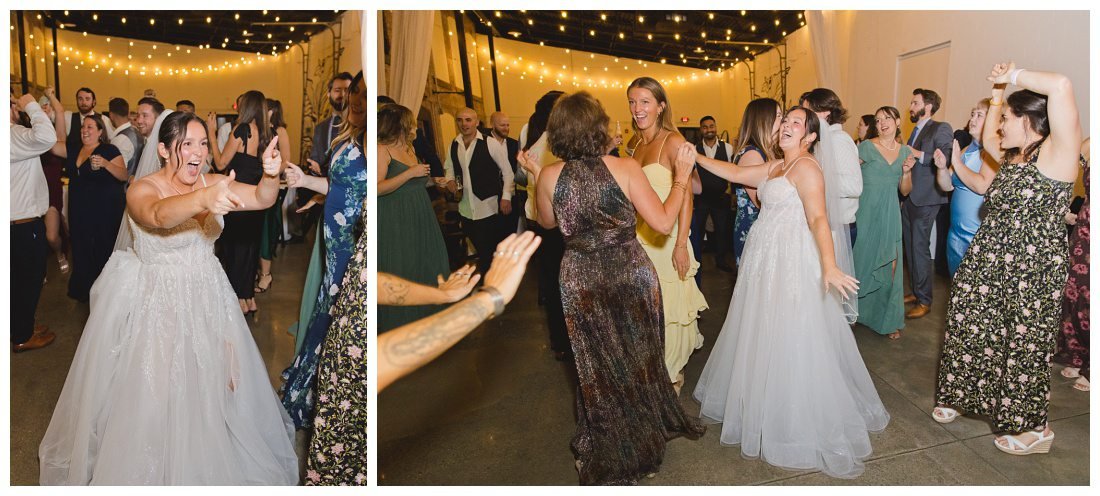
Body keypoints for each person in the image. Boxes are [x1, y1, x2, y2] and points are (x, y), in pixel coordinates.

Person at [39, 111, 296, 485]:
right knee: (157, 397)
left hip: (209, 298)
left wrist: (270, 174)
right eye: (187, 144)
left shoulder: (213, 180)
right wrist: (203, 197)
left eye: (203, 143)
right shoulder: (142, 189)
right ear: (163, 148)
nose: (198, 152)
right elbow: (159, 217)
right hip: (160, 305)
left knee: (211, 388)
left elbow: (260, 198)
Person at [692, 106, 888, 478]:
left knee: (791, 334)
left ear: (811, 136)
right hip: (764, 262)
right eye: (785, 121)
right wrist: (694, 156)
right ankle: (766, 405)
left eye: (796, 123)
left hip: (791, 262)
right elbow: (733, 172)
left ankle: (795, 420)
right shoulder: (777, 165)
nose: (786, 126)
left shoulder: (807, 168)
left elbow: (818, 218)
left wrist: (830, 266)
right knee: (763, 330)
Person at [521, 91, 704, 485]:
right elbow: (661, 223)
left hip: (581, 278)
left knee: (595, 367)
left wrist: (539, 177)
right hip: (629, 274)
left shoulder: (552, 175)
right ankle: (641, 444)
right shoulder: (624, 167)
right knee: (638, 360)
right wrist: (682, 180)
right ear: (598, 126)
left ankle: (607, 444)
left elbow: (548, 223)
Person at [933, 63, 1081, 456]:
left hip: (1032, 270)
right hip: (990, 260)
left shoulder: (1058, 156)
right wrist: (998, 92)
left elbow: (1062, 85)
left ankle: (1036, 428)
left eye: (1008, 119)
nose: (999, 126)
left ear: (1031, 120)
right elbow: (987, 136)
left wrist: (1012, 74)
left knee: (1024, 342)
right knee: (975, 325)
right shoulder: (1015, 157)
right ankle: (968, 394)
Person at [280, 72, 368, 429]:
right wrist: (304, 181)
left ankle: (328, 390)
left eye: (359, 93)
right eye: (352, 93)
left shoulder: (370, 140)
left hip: (352, 240)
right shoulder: (347, 136)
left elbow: (366, 194)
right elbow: (337, 184)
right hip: (334, 239)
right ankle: (312, 382)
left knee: (337, 314)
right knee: (326, 308)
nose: (354, 99)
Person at [626, 76, 708, 392]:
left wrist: (681, 244)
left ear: (661, 106)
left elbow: (686, 194)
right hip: (640, 242)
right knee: (646, 310)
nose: (637, 109)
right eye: (632, 102)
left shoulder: (672, 142)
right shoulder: (635, 144)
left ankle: (671, 375)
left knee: (668, 310)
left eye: (645, 101)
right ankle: (651, 370)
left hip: (668, 241)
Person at [47, 92, 128, 303]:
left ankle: (104, 291)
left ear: (101, 132)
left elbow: (123, 175)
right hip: (80, 210)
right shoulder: (73, 149)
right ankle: (84, 288)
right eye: (83, 127)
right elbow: (53, 145)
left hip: (103, 212)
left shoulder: (109, 149)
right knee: (81, 247)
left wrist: (106, 164)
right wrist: (48, 118)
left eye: (90, 127)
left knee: (102, 248)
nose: (85, 130)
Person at [377, 102, 450, 332]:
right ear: (400, 125)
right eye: (411, 123)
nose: (415, 126)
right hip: (396, 218)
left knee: (426, 264)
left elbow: (412, 182)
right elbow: (377, 188)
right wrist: (411, 172)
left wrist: (431, 181)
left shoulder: (410, 149)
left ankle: (429, 321)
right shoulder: (382, 149)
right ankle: (401, 325)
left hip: (421, 214)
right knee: (404, 266)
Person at [206, 90, 271, 316]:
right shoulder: (265, 133)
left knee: (234, 249)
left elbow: (221, 162)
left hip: (238, 196)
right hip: (256, 197)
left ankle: (238, 301)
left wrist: (212, 135)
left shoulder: (242, 129)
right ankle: (248, 299)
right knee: (249, 249)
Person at [853, 106, 915, 339]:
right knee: (862, 260)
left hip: (890, 213)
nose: (882, 123)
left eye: (887, 118)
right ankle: (852, 312)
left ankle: (886, 319)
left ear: (898, 121)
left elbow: (905, 191)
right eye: (878, 120)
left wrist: (907, 173)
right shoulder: (867, 147)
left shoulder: (905, 151)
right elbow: (847, 174)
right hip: (865, 211)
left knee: (890, 266)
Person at [800, 88, 861, 321]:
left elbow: (855, 186)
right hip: (829, 225)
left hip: (840, 228)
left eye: (808, 112)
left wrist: (816, 180)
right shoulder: (824, 140)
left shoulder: (840, 140)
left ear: (824, 113)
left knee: (832, 291)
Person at [519, 91, 570, 360]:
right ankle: (565, 338)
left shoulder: (533, 137)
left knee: (552, 281)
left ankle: (560, 339)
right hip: (556, 221)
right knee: (562, 283)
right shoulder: (552, 142)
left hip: (540, 219)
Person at [10, 92, 58, 352]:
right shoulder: (12, 134)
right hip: (22, 223)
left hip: (12, 223)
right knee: (28, 279)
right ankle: (22, 335)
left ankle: (19, 323)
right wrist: (30, 104)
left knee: (15, 281)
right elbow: (47, 138)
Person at [444, 108, 515, 276]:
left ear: (476, 122)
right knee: (483, 252)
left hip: (488, 208)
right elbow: (449, 167)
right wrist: (450, 180)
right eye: (460, 120)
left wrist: (506, 198)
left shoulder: (489, 143)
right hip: (466, 209)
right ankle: (492, 284)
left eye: (468, 120)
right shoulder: (454, 145)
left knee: (487, 253)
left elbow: (508, 172)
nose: (464, 124)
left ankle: (491, 288)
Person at [901, 88, 953, 319]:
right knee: (910, 247)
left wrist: (917, 154)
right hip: (910, 196)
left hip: (928, 197)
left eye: (915, 103)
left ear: (928, 106)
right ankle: (916, 290)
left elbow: (946, 157)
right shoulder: (914, 130)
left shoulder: (941, 128)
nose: (910, 107)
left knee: (920, 248)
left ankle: (925, 300)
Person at [932, 99, 995, 276]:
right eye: (972, 114)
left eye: (979, 115)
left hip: (976, 234)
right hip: (956, 232)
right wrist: (942, 167)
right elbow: (946, 185)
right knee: (957, 289)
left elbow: (981, 186)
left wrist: (957, 162)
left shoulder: (993, 153)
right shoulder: (967, 148)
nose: (972, 119)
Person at [730, 98, 783, 265]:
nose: (784, 121)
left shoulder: (768, 152)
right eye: (779, 116)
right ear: (764, 120)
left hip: (767, 230)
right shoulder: (752, 154)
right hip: (754, 231)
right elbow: (762, 201)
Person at [1056, 138, 1089, 392]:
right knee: (1074, 292)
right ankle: (1076, 354)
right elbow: (1064, 171)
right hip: (1085, 231)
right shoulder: (1090, 144)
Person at [253, 98, 292, 294]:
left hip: (272, 184)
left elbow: (287, 160)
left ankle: (266, 275)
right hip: (254, 185)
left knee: (266, 230)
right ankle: (257, 270)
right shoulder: (256, 130)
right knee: (255, 231)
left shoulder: (280, 131)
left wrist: (270, 172)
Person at [690, 115, 735, 277]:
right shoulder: (694, 149)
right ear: (701, 130)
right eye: (705, 127)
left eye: (712, 126)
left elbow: (732, 171)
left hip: (721, 197)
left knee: (722, 230)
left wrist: (731, 192)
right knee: (698, 229)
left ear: (716, 127)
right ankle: (697, 262)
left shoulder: (728, 148)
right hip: (701, 198)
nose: (709, 129)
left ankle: (721, 261)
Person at [37, 96, 70, 274]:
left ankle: (59, 254)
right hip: (32, 192)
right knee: (34, 237)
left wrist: (51, 96)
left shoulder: (56, 138)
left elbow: (59, 112)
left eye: (47, 107)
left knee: (51, 235)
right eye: (41, 107)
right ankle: (39, 268)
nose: (44, 109)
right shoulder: (30, 135)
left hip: (51, 191)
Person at [488, 111, 522, 234]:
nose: (506, 128)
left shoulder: (514, 145)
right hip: (490, 198)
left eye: (508, 125)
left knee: (510, 233)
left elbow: (516, 171)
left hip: (511, 196)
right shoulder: (484, 143)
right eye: (502, 125)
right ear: (492, 124)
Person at [106, 97, 142, 181]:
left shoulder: (120, 139)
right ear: (128, 114)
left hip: (124, 189)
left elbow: (118, 173)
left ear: (111, 115)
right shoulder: (137, 132)